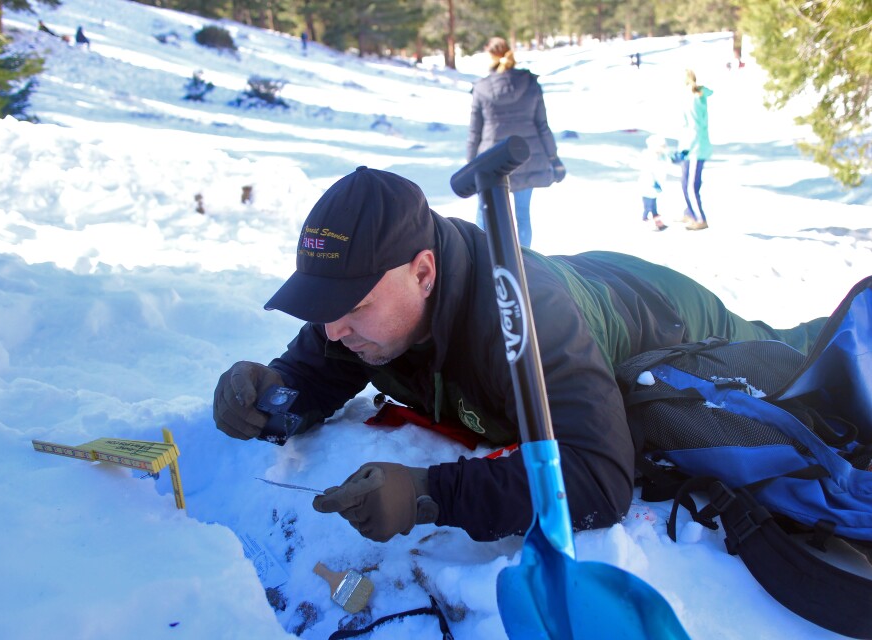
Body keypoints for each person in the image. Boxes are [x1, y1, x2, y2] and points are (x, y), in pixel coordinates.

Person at [213, 166, 833, 544]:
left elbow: (599, 475)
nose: (333, 328)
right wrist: (269, 397)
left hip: (656, 310)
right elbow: (315, 368)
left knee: (801, 355)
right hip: (578, 278)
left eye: (351, 305)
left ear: (424, 271)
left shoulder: (517, 324)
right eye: (322, 306)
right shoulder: (364, 314)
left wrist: (432, 493)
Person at [466, 37, 565, 249]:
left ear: (489, 56)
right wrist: (554, 158)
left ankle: (481, 259)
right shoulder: (530, 83)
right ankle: (525, 264)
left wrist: (470, 165)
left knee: (485, 215)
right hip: (525, 157)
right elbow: (542, 125)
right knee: (522, 216)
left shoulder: (482, 88)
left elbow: (475, 131)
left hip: (492, 160)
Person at [677, 68, 713, 231]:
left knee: (690, 186)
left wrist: (685, 149)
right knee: (685, 182)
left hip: (694, 149)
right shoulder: (694, 97)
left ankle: (699, 218)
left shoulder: (691, 99)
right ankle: (690, 212)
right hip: (693, 146)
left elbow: (694, 127)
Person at [638, 135, 669, 231]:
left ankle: (657, 223)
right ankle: (646, 221)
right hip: (648, 186)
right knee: (648, 206)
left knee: (654, 205)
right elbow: (648, 172)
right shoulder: (649, 156)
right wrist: (654, 183)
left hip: (655, 187)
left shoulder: (662, 157)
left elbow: (666, 165)